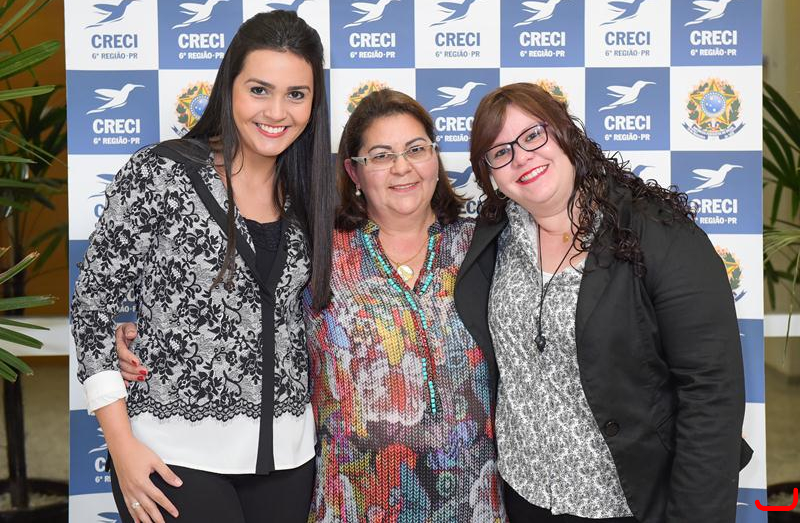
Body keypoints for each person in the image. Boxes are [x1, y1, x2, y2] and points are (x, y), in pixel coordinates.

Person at [118, 88, 508, 521]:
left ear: (435, 157)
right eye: (381, 156)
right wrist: (148, 336)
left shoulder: (484, 244)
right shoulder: (315, 248)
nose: (402, 167)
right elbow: (240, 312)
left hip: (474, 500)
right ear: (354, 172)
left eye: (416, 149)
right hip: (352, 504)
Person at [71, 11, 335, 523]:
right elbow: (93, 304)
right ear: (228, 87)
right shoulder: (163, 172)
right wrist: (121, 447)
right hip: (172, 455)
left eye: (296, 94)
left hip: (289, 456)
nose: (277, 111)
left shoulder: (309, 193)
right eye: (259, 90)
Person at [454, 82, 749, 523]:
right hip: (524, 493)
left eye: (533, 135)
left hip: (628, 503)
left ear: (564, 132)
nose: (522, 157)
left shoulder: (660, 234)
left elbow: (711, 391)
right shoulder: (495, 235)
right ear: (490, 174)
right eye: (500, 152)